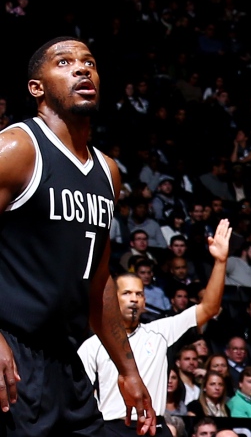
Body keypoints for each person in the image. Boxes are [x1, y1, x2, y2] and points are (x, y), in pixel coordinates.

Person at [0, 36, 155, 435]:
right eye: (65, 63)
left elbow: (99, 283)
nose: (82, 69)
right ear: (37, 88)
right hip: (11, 351)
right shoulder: (18, 148)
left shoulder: (108, 171)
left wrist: (128, 370)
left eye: (89, 62)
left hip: (65, 359)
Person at [78, 219, 232, 436]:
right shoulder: (93, 344)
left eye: (139, 294)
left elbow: (209, 308)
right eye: (126, 293)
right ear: (112, 298)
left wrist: (220, 261)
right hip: (113, 428)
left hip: (154, 427)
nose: (134, 299)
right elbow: (78, 393)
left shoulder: (160, 330)